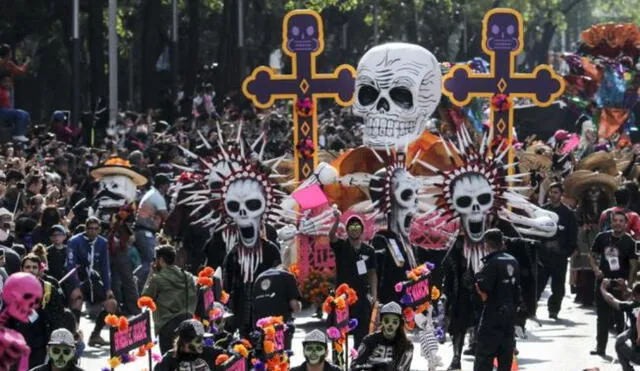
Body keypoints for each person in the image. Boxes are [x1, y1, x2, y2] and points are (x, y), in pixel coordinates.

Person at [589, 210, 639, 356]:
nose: (617, 223)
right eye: (615, 220)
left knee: (621, 318)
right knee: (602, 317)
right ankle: (600, 348)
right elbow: (592, 256)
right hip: (603, 282)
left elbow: (634, 266)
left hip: (620, 285)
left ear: (625, 223)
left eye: (621, 221)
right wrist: (596, 270)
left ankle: (624, 350)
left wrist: (628, 286)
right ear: (611, 222)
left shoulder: (629, 241)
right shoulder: (602, 237)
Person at [473, 229, 521, 371]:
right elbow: (517, 290)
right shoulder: (513, 260)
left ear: (487, 244)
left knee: (484, 356)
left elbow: (483, 287)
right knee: (505, 356)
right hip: (509, 315)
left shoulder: (491, 263)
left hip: (493, 314)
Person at [65, 217, 115, 347]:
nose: (93, 232)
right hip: (79, 278)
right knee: (77, 301)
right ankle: (74, 335)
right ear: (86, 229)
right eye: (90, 229)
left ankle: (95, 335)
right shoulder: (74, 241)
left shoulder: (103, 243)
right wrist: (76, 286)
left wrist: (108, 288)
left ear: (99, 230)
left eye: (96, 229)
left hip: (94, 278)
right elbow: (70, 266)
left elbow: (105, 266)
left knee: (111, 303)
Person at [329, 213, 378, 348]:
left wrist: (374, 295)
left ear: (362, 229)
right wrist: (337, 220)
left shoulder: (369, 250)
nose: (354, 228)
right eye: (351, 226)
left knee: (362, 334)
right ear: (347, 229)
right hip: (342, 299)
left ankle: (357, 363)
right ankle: (338, 365)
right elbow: (332, 237)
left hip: (361, 298)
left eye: (357, 226)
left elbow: (372, 274)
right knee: (339, 335)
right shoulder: (341, 246)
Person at [11, 254, 66, 368]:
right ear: (22, 269)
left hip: (40, 342)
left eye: (34, 267)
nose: (31, 270)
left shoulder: (49, 290)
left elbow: (58, 317)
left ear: (39, 269)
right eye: (28, 267)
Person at [141, 244, 197, 354]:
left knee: (169, 362)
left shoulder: (157, 278)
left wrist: (151, 274)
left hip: (167, 325)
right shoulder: (188, 276)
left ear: (161, 260)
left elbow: (144, 299)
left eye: (155, 259)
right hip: (188, 322)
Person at [538, 182, 577, 319]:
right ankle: (530, 308)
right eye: (551, 192)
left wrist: (566, 251)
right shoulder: (542, 211)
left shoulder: (568, 214)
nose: (553, 195)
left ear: (561, 195)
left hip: (559, 257)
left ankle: (554, 309)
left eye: (556, 192)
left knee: (558, 286)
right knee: (538, 284)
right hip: (543, 255)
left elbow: (572, 235)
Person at [252, 258, 302, 349]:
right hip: (280, 325)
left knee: (264, 354)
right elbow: (294, 306)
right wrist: (299, 306)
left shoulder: (259, 277)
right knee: (282, 356)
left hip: (261, 325)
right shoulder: (288, 276)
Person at [351, 302, 413, 371]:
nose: (390, 325)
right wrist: (372, 367)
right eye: (387, 321)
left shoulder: (407, 346)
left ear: (399, 323)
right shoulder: (369, 341)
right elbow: (354, 365)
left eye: (394, 322)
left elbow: (404, 368)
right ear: (382, 321)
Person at [135, 173, 170, 289]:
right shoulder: (157, 197)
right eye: (167, 185)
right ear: (163, 185)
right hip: (145, 232)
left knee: (148, 261)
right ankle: (132, 281)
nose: (168, 188)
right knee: (150, 261)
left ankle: (138, 285)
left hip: (143, 231)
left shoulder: (151, 193)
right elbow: (167, 217)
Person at [597, 278, 640, 371]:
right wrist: (624, 288)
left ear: (635, 296)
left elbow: (611, 300)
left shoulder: (632, 306)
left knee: (619, 344)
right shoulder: (633, 304)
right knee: (623, 336)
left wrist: (603, 288)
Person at [153, 319, 221, 371]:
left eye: (202, 339)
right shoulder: (169, 360)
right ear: (183, 342)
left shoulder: (209, 352)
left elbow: (228, 359)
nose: (202, 343)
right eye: (198, 341)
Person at [0, 71, 30, 142]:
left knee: (25, 114)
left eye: (9, 82)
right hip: (1, 110)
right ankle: (18, 134)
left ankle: (20, 133)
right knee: (21, 114)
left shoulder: (8, 91)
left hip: (6, 111)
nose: (7, 83)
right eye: (5, 81)